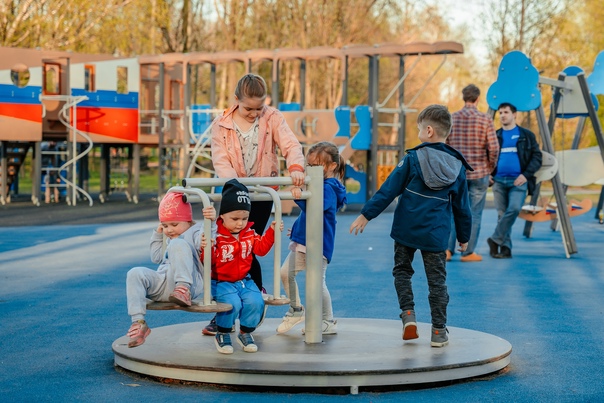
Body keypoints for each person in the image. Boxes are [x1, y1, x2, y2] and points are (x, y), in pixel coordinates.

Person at [349, 104, 472, 348]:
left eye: (418, 129)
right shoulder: (456, 167)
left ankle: (408, 316)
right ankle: (438, 331)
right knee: (437, 282)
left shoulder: (413, 158)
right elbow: (462, 207)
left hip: (406, 230)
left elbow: (388, 189)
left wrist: (366, 214)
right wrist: (463, 236)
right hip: (436, 235)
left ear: (428, 131)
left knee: (402, 272)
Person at [207, 73, 305, 335]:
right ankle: (223, 309)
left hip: (261, 194)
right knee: (224, 250)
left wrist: (295, 167)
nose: (253, 113)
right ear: (236, 100)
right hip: (233, 193)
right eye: (248, 108)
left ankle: (254, 300)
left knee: (248, 247)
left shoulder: (272, 117)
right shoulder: (221, 124)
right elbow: (220, 159)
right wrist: (234, 187)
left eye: (259, 107)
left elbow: (290, 144)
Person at [125, 192, 216, 348]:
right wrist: (158, 234)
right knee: (134, 272)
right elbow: (155, 257)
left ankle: (183, 289)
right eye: (165, 225)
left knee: (177, 244)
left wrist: (210, 225)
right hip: (164, 286)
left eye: (174, 224)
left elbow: (204, 240)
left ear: (188, 221)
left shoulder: (195, 231)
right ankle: (139, 323)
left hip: (189, 283)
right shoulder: (169, 238)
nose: (169, 229)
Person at [276, 141, 347, 335]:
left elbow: (315, 207)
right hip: (305, 241)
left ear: (332, 166)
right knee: (286, 272)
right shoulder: (319, 183)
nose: (311, 169)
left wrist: (299, 197)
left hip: (318, 244)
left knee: (317, 281)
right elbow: (309, 216)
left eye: (317, 166)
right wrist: (298, 231)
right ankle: (297, 309)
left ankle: (327, 320)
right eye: (309, 165)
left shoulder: (330, 187)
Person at [204, 179, 282, 354]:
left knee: (256, 302)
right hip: (222, 281)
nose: (240, 223)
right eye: (235, 219)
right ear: (222, 215)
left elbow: (260, 250)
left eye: (245, 218)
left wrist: (271, 232)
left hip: (244, 281)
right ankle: (222, 333)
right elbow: (208, 262)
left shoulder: (249, 233)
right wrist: (206, 248)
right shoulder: (216, 235)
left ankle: (245, 333)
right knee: (231, 304)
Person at [446, 84, 500, 262]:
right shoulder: (485, 120)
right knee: (474, 214)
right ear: (478, 99)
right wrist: (489, 168)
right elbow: (493, 148)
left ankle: (447, 250)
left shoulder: (452, 118)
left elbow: (445, 146)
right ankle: (467, 252)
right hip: (479, 173)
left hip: (456, 173)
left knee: (454, 211)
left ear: (464, 98)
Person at [487, 102, 542, 259]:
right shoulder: (495, 135)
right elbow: (486, 157)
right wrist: (488, 173)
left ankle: (494, 239)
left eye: (506, 112)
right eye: (500, 113)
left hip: (519, 181)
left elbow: (537, 157)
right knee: (502, 214)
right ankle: (504, 248)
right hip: (498, 181)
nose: (503, 115)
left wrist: (525, 175)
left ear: (514, 114)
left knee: (514, 209)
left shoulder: (526, 135)